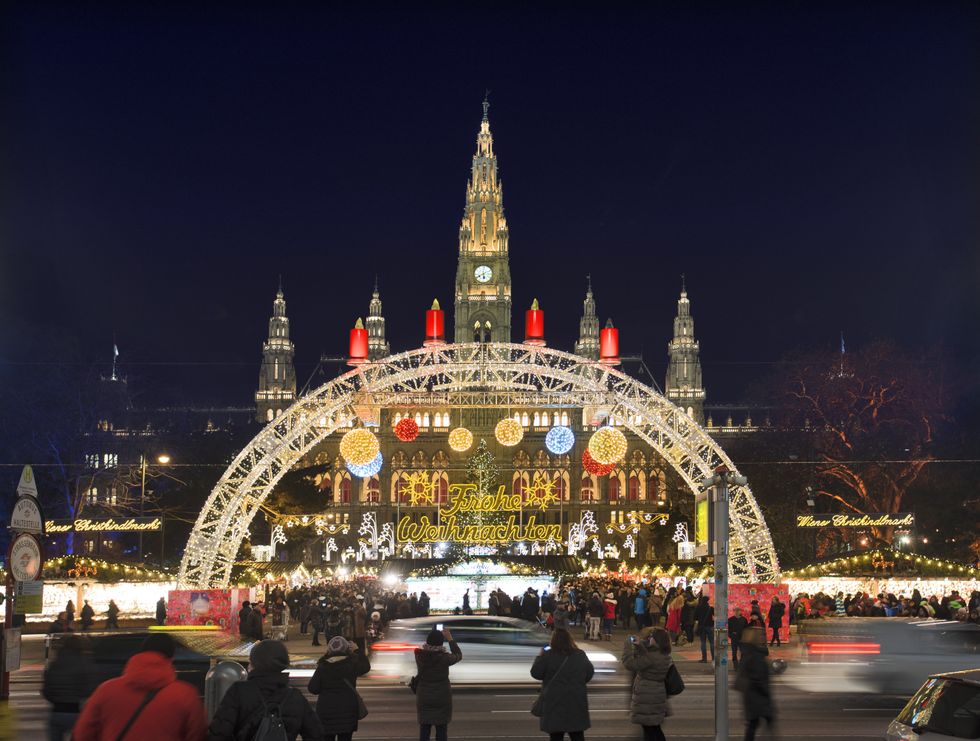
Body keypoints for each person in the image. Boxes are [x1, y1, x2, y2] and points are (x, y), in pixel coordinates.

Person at [72, 633, 207, 741]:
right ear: (171, 658)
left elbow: (83, 733)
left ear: (140, 653)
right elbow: (198, 735)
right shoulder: (186, 695)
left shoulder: (106, 690)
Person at [209, 639, 321, 740]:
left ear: (255, 663)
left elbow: (219, 733)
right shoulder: (295, 697)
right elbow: (316, 734)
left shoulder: (239, 692)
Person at [530, 628, 594, 741]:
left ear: (553, 641)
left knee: (556, 735)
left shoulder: (548, 655)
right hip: (576, 702)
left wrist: (540, 656)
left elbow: (536, 673)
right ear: (570, 640)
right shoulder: (580, 655)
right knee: (577, 735)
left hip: (554, 702)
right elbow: (589, 674)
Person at [308, 635, 371, 741]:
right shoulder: (352, 664)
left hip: (326, 713)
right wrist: (358, 650)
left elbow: (313, 688)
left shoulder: (323, 667)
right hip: (348, 712)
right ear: (346, 649)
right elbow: (366, 667)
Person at [621, 627, 674, 741]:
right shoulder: (663, 654)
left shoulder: (653, 657)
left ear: (656, 640)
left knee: (649, 731)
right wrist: (640, 645)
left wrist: (627, 645)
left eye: (651, 637)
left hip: (648, 697)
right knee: (654, 729)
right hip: (656, 695)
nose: (649, 638)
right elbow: (648, 656)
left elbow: (629, 664)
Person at [414, 627, 462, 741]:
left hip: (424, 696)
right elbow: (458, 655)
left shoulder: (419, 656)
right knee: (441, 729)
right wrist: (450, 639)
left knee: (424, 728)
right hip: (442, 697)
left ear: (427, 641)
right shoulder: (445, 658)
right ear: (441, 642)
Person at [43, 634, 94, 740]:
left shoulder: (54, 664)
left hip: (56, 712)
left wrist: (55, 699)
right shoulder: (83, 663)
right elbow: (88, 689)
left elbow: (46, 691)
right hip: (75, 712)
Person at [736, 627, 773, 741]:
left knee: (753, 725)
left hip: (751, 697)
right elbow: (758, 679)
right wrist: (767, 695)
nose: (764, 638)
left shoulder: (747, 653)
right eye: (762, 636)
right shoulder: (756, 655)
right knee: (758, 725)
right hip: (758, 698)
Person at [694, 595, 714, 663]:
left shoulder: (698, 607)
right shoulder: (710, 608)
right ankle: (713, 658)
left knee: (703, 642)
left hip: (701, 626)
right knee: (711, 642)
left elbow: (695, 617)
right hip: (709, 626)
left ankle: (704, 658)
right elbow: (714, 615)